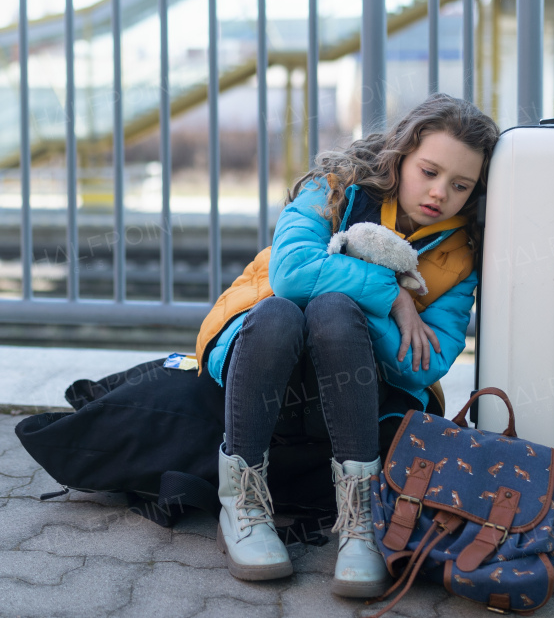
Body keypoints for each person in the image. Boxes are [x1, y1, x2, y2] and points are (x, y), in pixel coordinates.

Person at [193, 93, 499, 596]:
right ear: (400, 156)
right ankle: (242, 504)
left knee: (333, 311)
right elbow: (290, 274)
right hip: (267, 357)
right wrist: (392, 294)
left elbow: (428, 362)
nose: (440, 192)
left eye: (460, 185)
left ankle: (361, 517)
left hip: (360, 381)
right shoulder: (332, 187)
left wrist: (357, 310)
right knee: (280, 311)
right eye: (429, 171)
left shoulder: (461, 250)